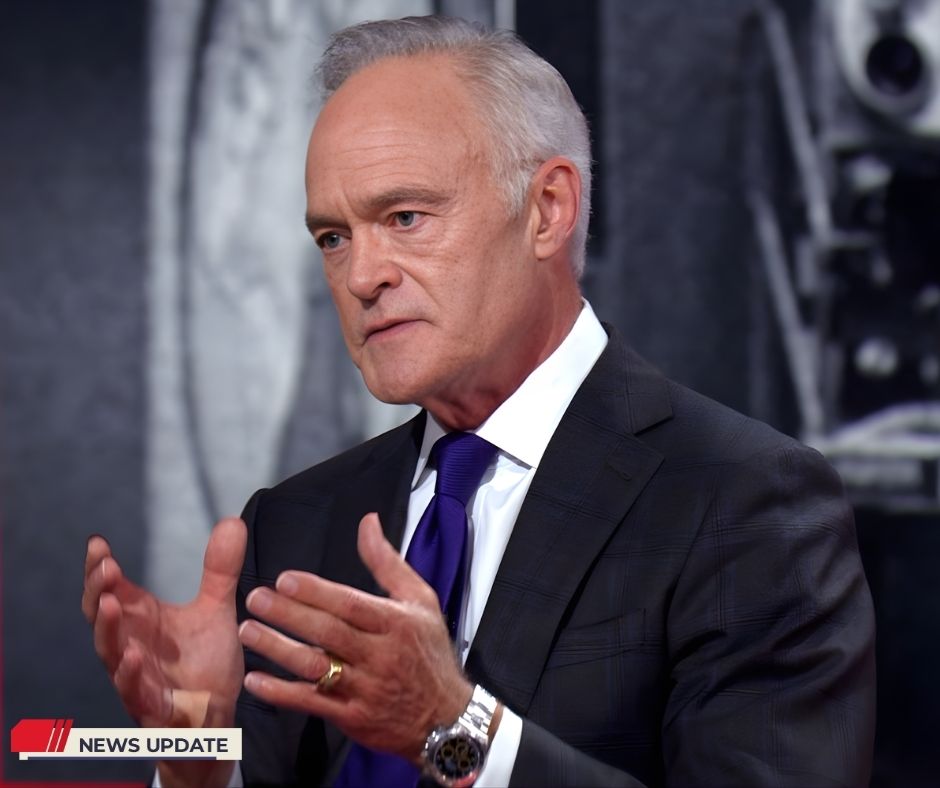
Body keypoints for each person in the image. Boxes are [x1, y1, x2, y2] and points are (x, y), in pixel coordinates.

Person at [82, 15, 876, 788]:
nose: (361, 277)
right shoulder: (293, 527)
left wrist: (451, 729)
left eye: (405, 217)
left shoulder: (745, 504)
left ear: (547, 210)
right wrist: (200, 765)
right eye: (334, 237)